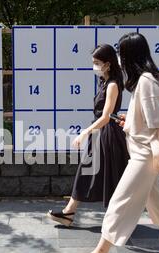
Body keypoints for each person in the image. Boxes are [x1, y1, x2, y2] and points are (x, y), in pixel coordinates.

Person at [68, 32, 159, 253]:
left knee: (120, 202)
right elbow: (148, 119)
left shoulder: (146, 81)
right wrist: (131, 121)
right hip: (143, 151)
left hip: (145, 155)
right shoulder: (146, 80)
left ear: (130, 55)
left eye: (122, 55)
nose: (120, 61)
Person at [47, 44, 129, 227]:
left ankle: (72, 213)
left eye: (97, 62)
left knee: (108, 175)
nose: (94, 66)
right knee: (94, 173)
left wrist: (85, 132)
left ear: (108, 64)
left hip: (106, 135)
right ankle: (70, 213)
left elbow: (107, 117)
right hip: (100, 134)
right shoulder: (105, 82)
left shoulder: (113, 85)